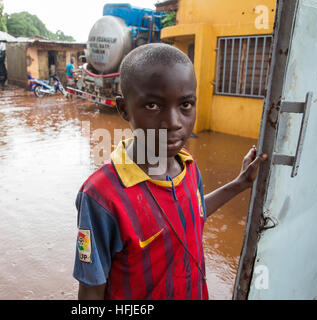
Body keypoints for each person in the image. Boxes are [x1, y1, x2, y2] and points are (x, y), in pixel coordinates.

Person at [72, 43, 267, 300]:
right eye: (153, 106)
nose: (174, 123)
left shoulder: (186, 165)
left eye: (186, 104)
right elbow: (91, 289)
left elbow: (192, 215)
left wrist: (240, 183)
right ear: (123, 109)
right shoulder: (101, 196)